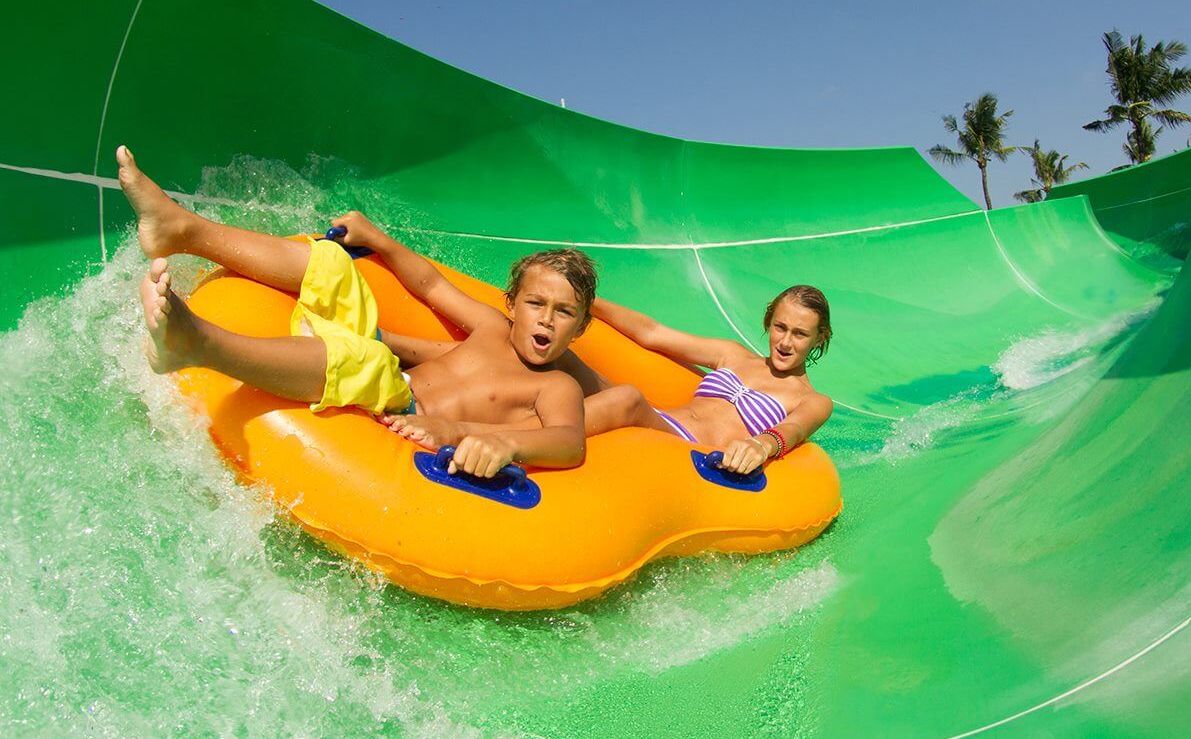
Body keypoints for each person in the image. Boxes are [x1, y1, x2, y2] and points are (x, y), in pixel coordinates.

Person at [118, 145, 595, 479]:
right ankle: (183, 229)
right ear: (512, 304)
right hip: (394, 378)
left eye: (564, 312)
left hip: (401, 409)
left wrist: (486, 438)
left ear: (580, 328)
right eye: (536, 303)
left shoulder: (556, 386)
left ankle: (199, 344)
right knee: (332, 266)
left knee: (367, 360)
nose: (546, 320)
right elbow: (430, 285)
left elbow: (568, 441)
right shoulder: (492, 326)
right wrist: (380, 240)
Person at [385, 285, 835, 478]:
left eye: (800, 334)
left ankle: (469, 433)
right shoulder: (732, 354)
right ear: (769, 323)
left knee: (627, 398)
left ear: (819, 339)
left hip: (690, 451)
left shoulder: (811, 399)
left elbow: (791, 432)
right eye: (780, 327)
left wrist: (760, 447)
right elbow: (651, 333)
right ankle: (393, 348)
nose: (785, 341)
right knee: (564, 359)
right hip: (663, 420)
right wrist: (584, 301)